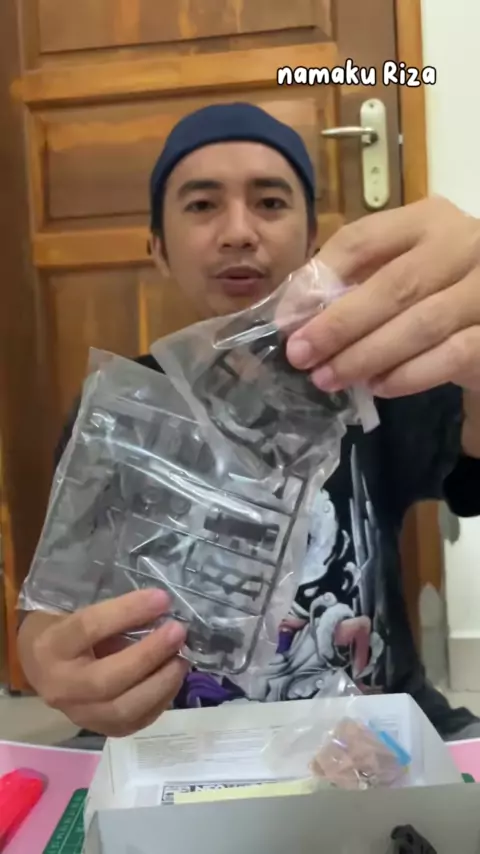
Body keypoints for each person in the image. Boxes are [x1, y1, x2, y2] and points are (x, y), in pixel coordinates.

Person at [17, 102, 480, 748]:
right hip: (174, 744)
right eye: (202, 205)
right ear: (158, 249)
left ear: (313, 240)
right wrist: (49, 663)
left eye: (270, 202)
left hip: (375, 729)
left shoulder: (373, 379)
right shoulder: (123, 408)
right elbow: (51, 612)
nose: (238, 231)